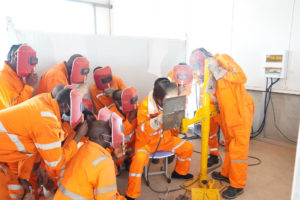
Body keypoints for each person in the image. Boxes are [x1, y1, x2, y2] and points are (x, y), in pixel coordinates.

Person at [0, 88, 88, 199]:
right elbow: (55, 162)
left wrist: (23, 177)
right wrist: (78, 137)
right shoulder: (47, 121)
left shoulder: (44, 100)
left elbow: (27, 144)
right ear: (65, 106)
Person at [125, 78, 194, 200]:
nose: (169, 102)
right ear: (158, 98)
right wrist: (157, 120)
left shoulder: (172, 98)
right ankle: (131, 194)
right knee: (137, 162)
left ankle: (179, 172)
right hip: (146, 143)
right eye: (166, 100)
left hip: (165, 140)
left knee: (187, 147)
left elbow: (174, 122)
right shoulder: (145, 105)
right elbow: (142, 129)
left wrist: (179, 124)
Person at [201, 53, 254, 199]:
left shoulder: (221, 59)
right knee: (230, 146)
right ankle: (226, 174)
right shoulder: (209, 74)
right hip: (228, 114)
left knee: (238, 150)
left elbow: (241, 77)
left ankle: (237, 185)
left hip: (240, 112)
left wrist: (219, 70)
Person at [54, 120, 126, 200]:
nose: (112, 136)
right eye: (110, 133)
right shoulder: (105, 162)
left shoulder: (83, 147)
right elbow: (107, 197)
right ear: (102, 137)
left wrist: (114, 158)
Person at [190, 48, 220, 167]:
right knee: (210, 133)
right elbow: (200, 84)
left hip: (220, 105)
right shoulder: (198, 71)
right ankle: (214, 155)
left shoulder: (214, 65)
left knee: (228, 135)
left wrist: (216, 100)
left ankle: (230, 164)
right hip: (207, 106)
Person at [0, 44, 38, 110]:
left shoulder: (17, 74)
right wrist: (29, 86)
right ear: (16, 59)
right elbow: (14, 109)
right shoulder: (2, 78)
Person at [109, 88, 138, 168]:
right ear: (116, 102)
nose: (129, 101)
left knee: (138, 157)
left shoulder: (133, 107)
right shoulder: (111, 115)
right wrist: (129, 119)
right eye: (124, 99)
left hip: (132, 145)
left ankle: (129, 161)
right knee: (116, 162)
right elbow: (118, 134)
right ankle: (117, 165)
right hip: (119, 147)